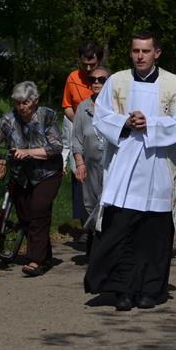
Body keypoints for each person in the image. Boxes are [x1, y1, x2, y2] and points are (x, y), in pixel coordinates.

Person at [84, 31, 176, 311]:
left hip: (156, 166)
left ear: (157, 53)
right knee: (121, 230)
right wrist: (126, 122)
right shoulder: (117, 81)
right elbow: (101, 115)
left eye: (145, 51)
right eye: (135, 51)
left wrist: (150, 124)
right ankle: (122, 290)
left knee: (153, 234)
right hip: (124, 165)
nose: (139, 56)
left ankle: (150, 290)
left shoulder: (174, 84)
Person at [0, 81, 63, 276]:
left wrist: (28, 152)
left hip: (47, 173)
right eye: (17, 102)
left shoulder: (46, 116)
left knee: (39, 210)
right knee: (26, 218)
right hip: (21, 175)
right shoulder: (9, 119)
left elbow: (56, 146)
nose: (21, 107)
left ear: (35, 101)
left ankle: (35, 261)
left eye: (25, 102)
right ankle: (45, 256)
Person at [61, 41, 104, 228]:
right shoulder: (72, 77)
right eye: (84, 64)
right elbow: (67, 106)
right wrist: (80, 120)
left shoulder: (106, 79)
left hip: (101, 133)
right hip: (79, 128)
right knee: (80, 173)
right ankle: (84, 220)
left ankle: (102, 220)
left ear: (99, 60)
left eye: (92, 64)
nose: (88, 68)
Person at [72, 66, 112, 255]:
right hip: (90, 165)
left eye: (101, 79)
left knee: (109, 204)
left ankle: (105, 245)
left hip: (112, 166)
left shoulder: (117, 107)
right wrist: (79, 163)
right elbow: (77, 139)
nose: (96, 83)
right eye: (92, 79)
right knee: (89, 203)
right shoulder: (83, 107)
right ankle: (94, 238)